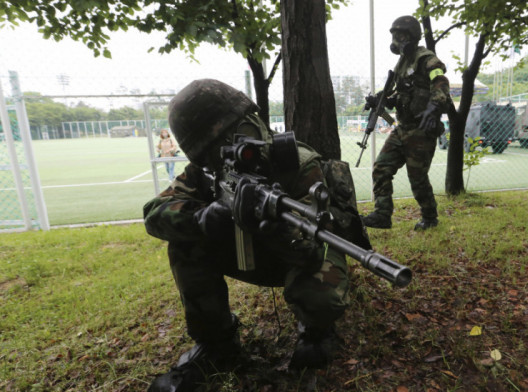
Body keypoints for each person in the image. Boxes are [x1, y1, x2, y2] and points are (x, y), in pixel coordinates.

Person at [143, 79, 361, 391]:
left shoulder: (296, 166)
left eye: (238, 134)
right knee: (184, 244)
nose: (232, 149)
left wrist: (276, 229)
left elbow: (313, 248)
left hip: (295, 254)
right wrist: (204, 219)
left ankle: (316, 329)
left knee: (320, 291)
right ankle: (218, 343)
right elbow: (154, 213)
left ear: (255, 123)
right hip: (252, 254)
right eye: (215, 149)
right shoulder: (205, 175)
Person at [361, 15, 450, 231]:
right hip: (402, 128)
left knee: (417, 178)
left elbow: (441, 81)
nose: (396, 41)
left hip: (421, 130)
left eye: (400, 36)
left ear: (411, 36)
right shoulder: (401, 64)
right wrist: (381, 100)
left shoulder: (425, 58)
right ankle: (382, 214)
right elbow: (400, 96)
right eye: (394, 36)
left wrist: (433, 107)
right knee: (381, 167)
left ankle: (430, 217)